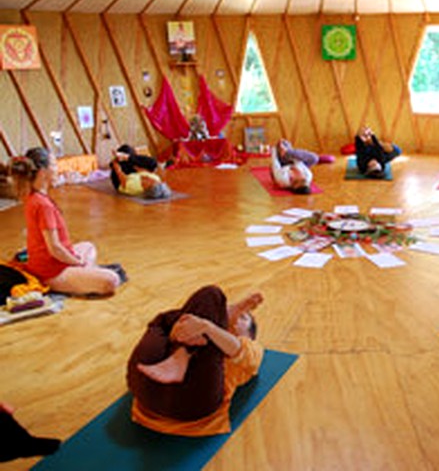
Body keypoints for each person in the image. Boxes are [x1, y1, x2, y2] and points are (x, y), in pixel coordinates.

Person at [127, 285, 263, 436]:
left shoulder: (252, 347)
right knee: (171, 319)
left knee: (212, 296)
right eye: (228, 311)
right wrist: (178, 333)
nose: (234, 317)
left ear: (249, 335)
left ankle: (180, 355)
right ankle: (180, 355)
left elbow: (238, 350)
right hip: (146, 394)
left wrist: (209, 327)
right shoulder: (196, 328)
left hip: (191, 405)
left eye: (243, 317)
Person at [9, 147, 122, 296]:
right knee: (112, 280)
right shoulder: (42, 205)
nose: (57, 169)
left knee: (88, 247)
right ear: (43, 172)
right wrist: (76, 262)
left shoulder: (34, 197)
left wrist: (74, 259)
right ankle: (77, 275)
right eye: (54, 165)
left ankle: (84, 274)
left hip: (48, 261)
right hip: (51, 273)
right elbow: (55, 248)